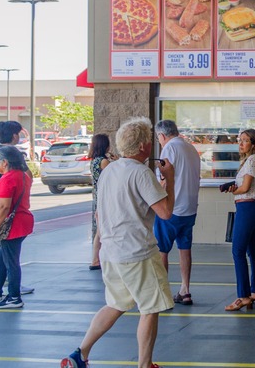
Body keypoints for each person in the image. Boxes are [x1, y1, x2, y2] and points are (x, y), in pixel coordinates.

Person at [61, 116, 175, 368]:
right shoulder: (141, 173)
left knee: (115, 303)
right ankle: (145, 364)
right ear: (145, 145)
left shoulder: (109, 170)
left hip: (111, 252)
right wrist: (171, 178)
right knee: (149, 308)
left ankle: (81, 353)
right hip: (138, 252)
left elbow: (100, 213)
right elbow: (166, 212)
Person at [0, 146, 34, 309]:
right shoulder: (24, 176)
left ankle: (14, 297)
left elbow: (3, 207)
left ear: (5, 162)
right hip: (22, 222)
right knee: (4, 256)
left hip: (12, 226)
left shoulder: (7, 180)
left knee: (11, 262)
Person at [221, 129, 255, 311]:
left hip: (247, 207)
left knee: (238, 251)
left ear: (254, 143)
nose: (240, 144)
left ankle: (243, 296)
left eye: (245, 141)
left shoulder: (252, 160)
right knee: (252, 250)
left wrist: (233, 190)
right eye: (239, 140)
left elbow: (246, 187)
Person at [153, 120, 201, 306]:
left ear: (162, 135)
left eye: (159, 138)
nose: (159, 141)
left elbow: (164, 180)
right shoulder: (190, 148)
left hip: (172, 208)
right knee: (184, 248)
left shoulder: (169, 149)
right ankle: (185, 290)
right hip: (190, 207)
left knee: (162, 250)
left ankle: (164, 294)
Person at [88, 133, 117, 271]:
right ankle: (95, 259)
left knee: (99, 229)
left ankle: (95, 259)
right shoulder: (104, 162)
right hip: (104, 198)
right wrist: (116, 162)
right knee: (102, 230)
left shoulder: (93, 161)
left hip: (97, 196)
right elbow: (114, 177)